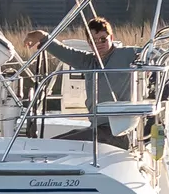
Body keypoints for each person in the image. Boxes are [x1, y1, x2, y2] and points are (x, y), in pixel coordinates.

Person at [22, 16, 142, 146]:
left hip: (118, 133)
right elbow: (65, 52)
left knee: (53, 145)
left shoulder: (127, 54)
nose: (98, 44)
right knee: (51, 143)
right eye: (93, 41)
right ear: (89, 43)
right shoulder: (88, 62)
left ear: (111, 38)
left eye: (103, 39)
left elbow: (153, 53)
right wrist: (41, 36)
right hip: (97, 129)